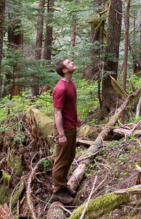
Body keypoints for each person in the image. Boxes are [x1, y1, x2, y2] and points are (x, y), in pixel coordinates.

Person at [51, 58, 81, 205]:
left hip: (71, 126)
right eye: (69, 63)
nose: (72, 63)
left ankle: (63, 186)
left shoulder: (70, 83)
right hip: (64, 129)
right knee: (61, 160)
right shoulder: (60, 88)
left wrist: (77, 119)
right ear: (64, 70)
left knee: (70, 157)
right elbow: (57, 113)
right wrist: (61, 134)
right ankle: (57, 191)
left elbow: (71, 105)